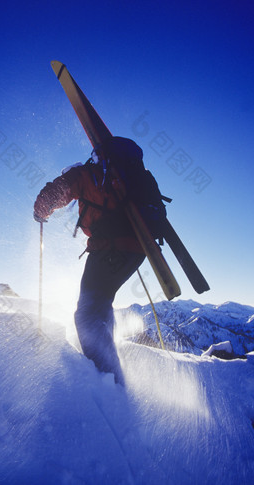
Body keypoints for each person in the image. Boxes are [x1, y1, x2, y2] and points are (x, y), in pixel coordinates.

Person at [33, 137, 165, 386]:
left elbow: (58, 190)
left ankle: (108, 380)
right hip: (137, 250)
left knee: (87, 315)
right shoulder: (128, 177)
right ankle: (108, 358)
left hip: (108, 248)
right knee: (100, 303)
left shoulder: (86, 175)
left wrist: (41, 209)